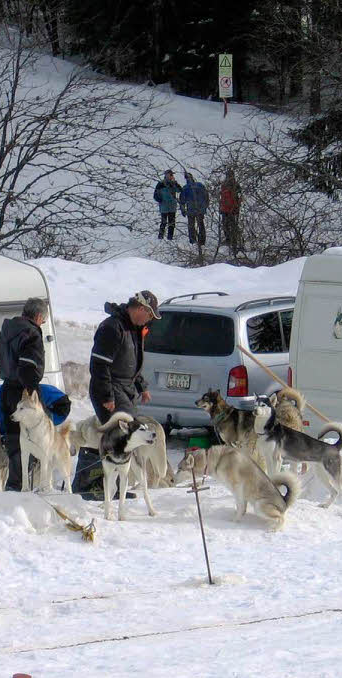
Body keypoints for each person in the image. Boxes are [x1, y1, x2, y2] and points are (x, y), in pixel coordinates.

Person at [73, 290, 162, 498]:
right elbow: (99, 364)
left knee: (123, 438)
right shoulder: (112, 328)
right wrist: (107, 397)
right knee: (118, 437)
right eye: (149, 315)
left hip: (125, 389)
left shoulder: (132, 327)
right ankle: (98, 485)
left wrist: (142, 386)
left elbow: (131, 362)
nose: (149, 320)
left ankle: (114, 487)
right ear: (141, 309)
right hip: (110, 388)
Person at [0, 297, 47, 491]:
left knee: (13, 439)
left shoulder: (5, 331)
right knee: (37, 438)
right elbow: (28, 367)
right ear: (39, 316)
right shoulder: (31, 334)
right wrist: (32, 394)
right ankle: (28, 486)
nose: (43, 323)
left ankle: (14, 484)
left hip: (6, 392)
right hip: (24, 393)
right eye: (44, 320)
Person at [180, 172, 209, 246]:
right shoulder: (200, 185)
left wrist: (183, 210)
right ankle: (202, 241)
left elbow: (182, 200)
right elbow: (206, 197)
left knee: (191, 225)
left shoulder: (186, 188)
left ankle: (193, 241)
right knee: (200, 224)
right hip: (200, 209)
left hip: (191, 209)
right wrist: (205, 206)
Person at [153, 170, 181, 240]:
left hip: (172, 206)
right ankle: (160, 237)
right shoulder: (160, 184)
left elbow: (180, 190)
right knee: (163, 222)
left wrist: (175, 183)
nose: (171, 176)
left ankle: (170, 238)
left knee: (172, 223)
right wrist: (161, 200)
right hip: (164, 207)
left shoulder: (174, 183)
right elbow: (155, 195)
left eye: (172, 174)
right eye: (170, 174)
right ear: (166, 175)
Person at [219, 170, 242, 248]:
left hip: (229, 208)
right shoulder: (233, 185)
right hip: (230, 208)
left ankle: (231, 239)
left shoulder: (229, 185)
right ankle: (231, 239)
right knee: (230, 225)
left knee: (228, 225)